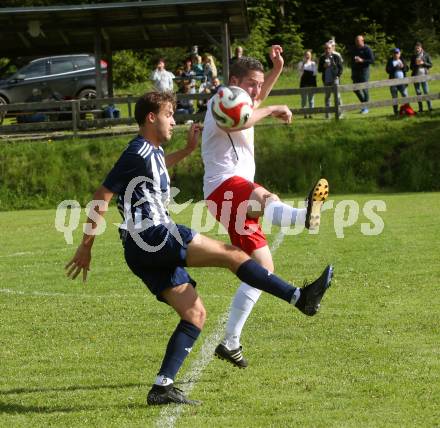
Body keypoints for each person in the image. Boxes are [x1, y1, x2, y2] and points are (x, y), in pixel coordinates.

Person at [65, 91, 334, 405]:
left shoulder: (147, 154)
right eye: (168, 115)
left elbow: (157, 166)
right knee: (234, 256)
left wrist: (188, 150)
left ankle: (161, 388)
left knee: (195, 315)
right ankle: (300, 298)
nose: (173, 121)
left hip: (138, 249)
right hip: (154, 234)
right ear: (151, 117)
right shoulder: (137, 152)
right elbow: (102, 196)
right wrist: (86, 246)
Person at [201, 45, 332, 368]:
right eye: (251, 83)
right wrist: (274, 109)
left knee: (261, 270)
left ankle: (230, 342)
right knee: (265, 198)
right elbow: (240, 120)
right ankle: (304, 217)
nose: (256, 90)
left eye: (259, 84)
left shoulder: (240, 98)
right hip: (224, 186)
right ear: (234, 80)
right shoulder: (224, 99)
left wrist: (276, 69)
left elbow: (252, 105)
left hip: (227, 193)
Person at [318, 42, 343, 119]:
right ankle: (327, 114)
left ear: (332, 48)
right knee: (327, 97)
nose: (327, 50)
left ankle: (339, 113)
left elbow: (341, 68)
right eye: (326, 48)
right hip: (326, 80)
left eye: (329, 48)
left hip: (335, 79)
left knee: (337, 97)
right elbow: (319, 70)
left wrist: (338, 76)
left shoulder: (336, 56)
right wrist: (324, 66)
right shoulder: (322, 58)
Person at [350, 35, 374, 114]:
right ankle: (364, 104)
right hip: (355, 71)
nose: (356, 42)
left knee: (364, 88)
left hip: (364, 71)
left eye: (358, 40)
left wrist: (362, 60)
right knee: (355, 89)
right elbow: (351, 60)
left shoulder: (367, 49)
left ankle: (365, 107)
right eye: (356, 40)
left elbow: (372, 60)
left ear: (362, 40)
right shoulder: (354, 49)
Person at [410, 42, 433, 113]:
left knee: (426, 91)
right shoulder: (413, 56)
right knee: (418, 92)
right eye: (416, 48)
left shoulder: (426, 55)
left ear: (421, 48)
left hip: (424, 76)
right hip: (416, 76)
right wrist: (416, 64)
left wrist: (423, 63)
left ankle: (430, 108)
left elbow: (431, 64)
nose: (417, 49)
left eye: (418, 48)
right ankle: (421, 109)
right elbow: (411, 67)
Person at [386, 48, 409, 116]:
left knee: (405, 95)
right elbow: (387, 70)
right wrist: (394, 67)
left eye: (397, 53)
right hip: (393, 82)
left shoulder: (402, 60)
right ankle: (396, 112)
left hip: (402, 82)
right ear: (393, 54)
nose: (396, 54)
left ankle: (407, 110)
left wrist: (402, 67)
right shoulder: (390, 60)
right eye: (394, 53)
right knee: (394, 97)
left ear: (399, 54)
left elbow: (407, 69)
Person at [298, 50, 317, 118]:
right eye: (306, 54)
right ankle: (304, 114)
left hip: (311, 83)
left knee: (311, 99)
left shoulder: (313, 64)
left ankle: (311, 114)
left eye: (308, 54)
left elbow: (315, 74)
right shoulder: (301, 63)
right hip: (303, 83)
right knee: (304, 99)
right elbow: (300, 74)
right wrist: (303, 65)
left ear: (311, 56)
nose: (307, 56)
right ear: (304, 55)